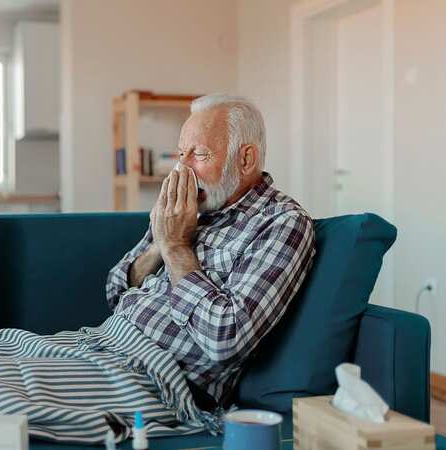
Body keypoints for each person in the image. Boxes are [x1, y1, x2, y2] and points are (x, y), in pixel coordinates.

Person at [106, 94, 316, 410]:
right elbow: (114, 291)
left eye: (200, 154)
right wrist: (160, 244)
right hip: (103, 344)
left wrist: (176, 248)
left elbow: (226, 338)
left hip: (153, 379)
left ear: (246, 159)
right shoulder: (185, 209)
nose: (182, 169)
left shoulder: (282, 223)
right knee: (2, 352)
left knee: (5, 403)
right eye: (181, 154)